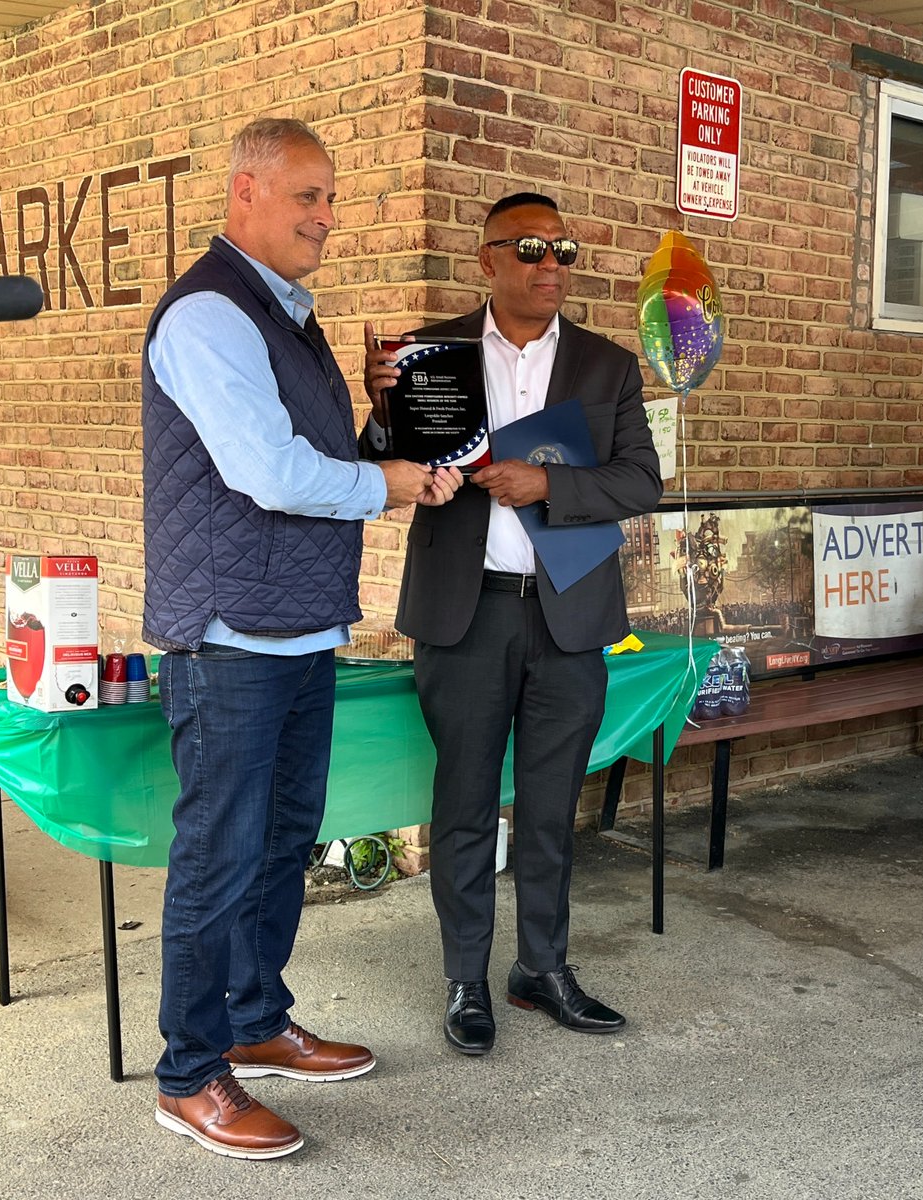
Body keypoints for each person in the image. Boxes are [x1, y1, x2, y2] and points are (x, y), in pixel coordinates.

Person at [141, 117, 460, 1160]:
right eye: (307, 196)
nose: (327, 217)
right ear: (245, 194)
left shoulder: (292, 317)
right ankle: (190, 1076)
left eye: (332, 197)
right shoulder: (208, 315)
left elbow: (315, 460)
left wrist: (375, 421)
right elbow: (269, 475)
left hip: (297, 629)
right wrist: (392, 482)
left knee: (282, 843)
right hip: (230, 637)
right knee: (218, 858)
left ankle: (254, 1019)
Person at [363, 192, 662, 1056]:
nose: (550, 265)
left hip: (569, 619)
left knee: (548, 806)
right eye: (530, 248)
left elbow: (640, 481)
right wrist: (384, 413)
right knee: (462, 805)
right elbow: (372, 467)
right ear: (487, 258)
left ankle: (542, 968)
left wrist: (550, 487)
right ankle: (466, 980)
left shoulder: (607, 367)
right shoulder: (431, 354)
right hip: (467, 613)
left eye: (564, 251)